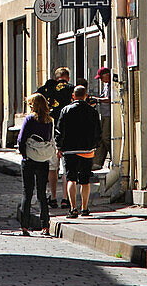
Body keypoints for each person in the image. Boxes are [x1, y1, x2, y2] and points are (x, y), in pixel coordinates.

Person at [56, 84, 102, 218]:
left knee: (71, 179)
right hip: (87, 149)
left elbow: (59, 130)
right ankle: (85, 208)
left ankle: (73, 208)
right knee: (85, 180)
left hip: (69, 150)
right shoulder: (92, 111)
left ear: (73, 96)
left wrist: (59, 146)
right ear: (86, 96)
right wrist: (95, 144)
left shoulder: (65, 110)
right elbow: (98, 131)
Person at [17, 93, 55, 236]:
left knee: (27, 192)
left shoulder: (29, 119)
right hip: (43, 160)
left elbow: (21, 139)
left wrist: (24, 153)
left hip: (30, 159)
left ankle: (25, 227)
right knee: (41, 194)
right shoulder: (49, 120)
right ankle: (45, 226)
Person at [37, 67, 73, 208]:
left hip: (51, 127)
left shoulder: (47, 88)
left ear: (56, 77)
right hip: (68, 129)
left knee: (52, 166)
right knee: (66, 166)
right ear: (68, 78)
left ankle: (52, 197)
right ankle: (65, 198)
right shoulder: (72, 89)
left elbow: (35, 100)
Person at [93, 67, 112, 168]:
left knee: (106, 137)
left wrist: (97, 100)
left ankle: (114, 157)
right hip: (103, 114)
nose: (101, 80)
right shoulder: (105, 85)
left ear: (107, 75)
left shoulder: (112, 85)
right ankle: (97, 162)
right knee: (101, 138)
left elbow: (109, 99)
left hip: (109, 114)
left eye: (101, 77)